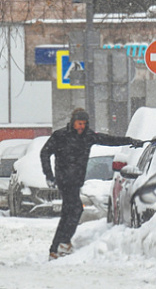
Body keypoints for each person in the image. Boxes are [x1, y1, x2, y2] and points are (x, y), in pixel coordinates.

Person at [40, 108, 144, 261]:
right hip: (64, 179)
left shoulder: (88, 137)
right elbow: (44, 153)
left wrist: (130, 141)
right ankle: (59, 246)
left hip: (76, 180)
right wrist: (49, 175)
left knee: (71, 212)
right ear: (72, 122)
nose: (81, 126)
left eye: (83, 123)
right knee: (73, 210)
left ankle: (60, 245)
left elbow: (109, 140)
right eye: (78, 123)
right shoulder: (60, 136)